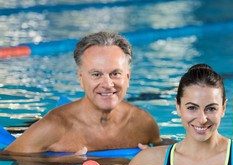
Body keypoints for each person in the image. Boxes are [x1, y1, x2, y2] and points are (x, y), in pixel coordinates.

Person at [106, 63, 233, 165]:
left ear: (224, 108)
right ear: (178, 107)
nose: (202, 119)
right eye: (192, 108)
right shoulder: (149, 159)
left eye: (211, 108)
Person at [4, 31, 162, 154]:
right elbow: (8, 158)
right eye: (96, 75)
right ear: (81, 78)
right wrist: (60, 162)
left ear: (127, 77)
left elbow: (166, 154)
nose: (107, 84)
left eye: (115, 73)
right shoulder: (54, 126)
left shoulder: (144, 123)